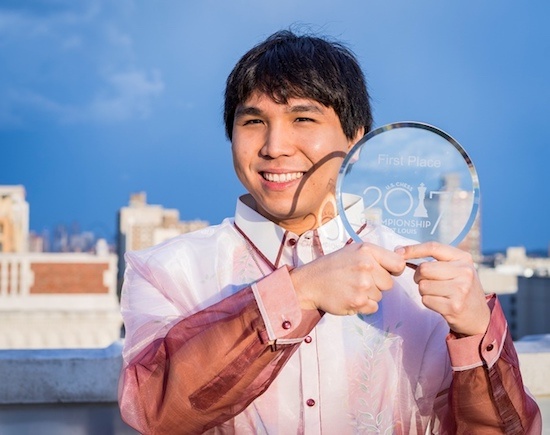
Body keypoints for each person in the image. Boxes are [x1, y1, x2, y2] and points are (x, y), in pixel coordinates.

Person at [118, 30, 541, 434]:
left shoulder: (422, 277)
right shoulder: (167, 270)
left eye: (303, 118)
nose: (275, 146)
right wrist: (299, 293)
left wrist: (476, 333)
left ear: (357, 138)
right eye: (253, 122)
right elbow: (156, 412)